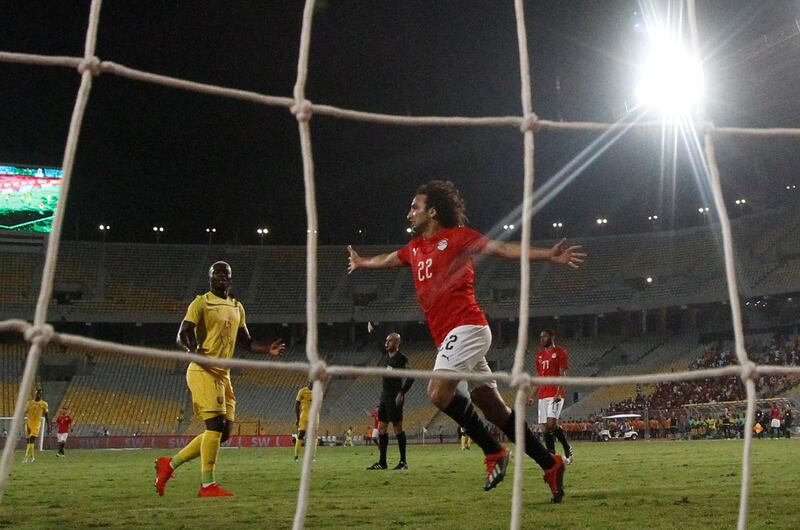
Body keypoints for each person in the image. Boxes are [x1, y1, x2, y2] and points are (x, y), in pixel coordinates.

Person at [347, 180, 585, 501]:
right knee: (494, 409)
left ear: (432, 211)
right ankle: (550, 463)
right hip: (450, 336)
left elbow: (501, 249)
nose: (409, 213)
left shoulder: (460, 238)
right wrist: (363, 262)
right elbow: (389, 259)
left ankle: (493, 451)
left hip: (468, 328)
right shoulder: (414, 249)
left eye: (414, 207)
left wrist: (546, 255)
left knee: (438, 392)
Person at [154, 261, 285, 498]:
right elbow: (181, 334)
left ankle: (169, 465)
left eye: (226, 273)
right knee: (214, 426)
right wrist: (191, 351)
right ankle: (207, 485)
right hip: (203, 370)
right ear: (210, 278)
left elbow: (246, 342)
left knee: (223, 433)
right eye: (217, 273)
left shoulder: (237, 306)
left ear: (231, 279)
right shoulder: (201, 302)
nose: (222, 276)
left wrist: (267, 349)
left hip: (224, 373)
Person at [365, 322, 414, 470]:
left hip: (395, 395)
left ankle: (403, 462)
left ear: (397, 342)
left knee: (397, 427)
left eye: (390, 340)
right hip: (384, 395)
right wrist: (373, 331)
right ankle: (382, 462)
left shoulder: (402, 359)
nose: (387, 343)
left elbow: (411, 377)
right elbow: (379, 342)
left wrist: (401, 393)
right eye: (386, 340)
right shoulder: (386, 355)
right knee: (381, 428)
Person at [528, 329, 573, 464]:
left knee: (551, 423)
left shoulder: (560, 352)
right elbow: (539, 378)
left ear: (552, 337)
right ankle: (552, 457)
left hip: (555, 393)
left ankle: (566, 447)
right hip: (543, 394)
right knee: (546, 426)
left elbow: (562, 374)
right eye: (541, 337)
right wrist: (532, 396)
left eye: (545, 336)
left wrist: (559, 393)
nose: (542, 339)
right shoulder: (539, 356)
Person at [23, 389, 48, 463]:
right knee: (28, 442)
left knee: (31, 440)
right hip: (28, 423)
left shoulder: (44, 404)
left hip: (36, 424)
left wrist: (48, 425)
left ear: (41, 395)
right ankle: (33, 457)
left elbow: (46, 415)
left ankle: (26, 457)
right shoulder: (29, 403)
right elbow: (24, 412)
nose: (38, 395)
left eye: (40, 394)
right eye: (37, 394)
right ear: (35, 394)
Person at [295, 381, 319, 462]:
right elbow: (297, 405)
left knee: (314, 435)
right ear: (309, 382)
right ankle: (296, 456)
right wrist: (297, 419)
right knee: (301, 434)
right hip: (304, 416)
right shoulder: (302, 391)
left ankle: (313, 456)